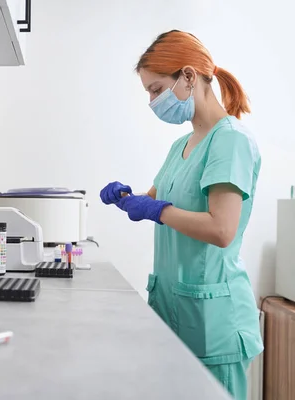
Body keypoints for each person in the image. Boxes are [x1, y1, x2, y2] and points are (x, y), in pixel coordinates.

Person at [100, 30, 263, 400]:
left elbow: (221, 229)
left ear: (188, 76)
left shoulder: (231, 139)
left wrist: (155, 210)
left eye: (156, 90)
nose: (153, 102)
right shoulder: (181, 145)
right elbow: (158, 202)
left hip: (213, 319)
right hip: (174, 309)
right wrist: (127, 199)